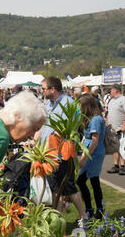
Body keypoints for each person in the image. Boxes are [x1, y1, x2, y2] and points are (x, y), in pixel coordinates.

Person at [36, 76, 89, 225]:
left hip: (62, 152)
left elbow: (63, 130)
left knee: (69, 186)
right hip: (49, 153)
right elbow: (44, 126)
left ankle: (84, 217)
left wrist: (48, 146)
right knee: (54, 186)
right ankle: (57, 218)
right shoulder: (49, 104)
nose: (42, 91)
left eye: (44, 89)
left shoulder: (68, 103)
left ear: (53, 89)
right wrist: (36, 142)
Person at [76, 94, 106, 219]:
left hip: (94, 153)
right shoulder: (90, 118)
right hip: (90, 152)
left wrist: (84, 158)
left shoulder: (96, 120)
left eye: (80, 105)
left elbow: (95, 141)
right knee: (94, 181)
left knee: (81, 181)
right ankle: (98, 210)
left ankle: (90, 209)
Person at [106, 84, 125, 175]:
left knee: (122, 147)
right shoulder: (111, 100)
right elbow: (109, 113)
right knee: (114, 148)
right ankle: (116, 166)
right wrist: (107, 122)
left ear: (115, 90)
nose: (110, 92)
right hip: (113, 128)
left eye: (111, 90)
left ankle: (122, 167)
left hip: (122, 128)